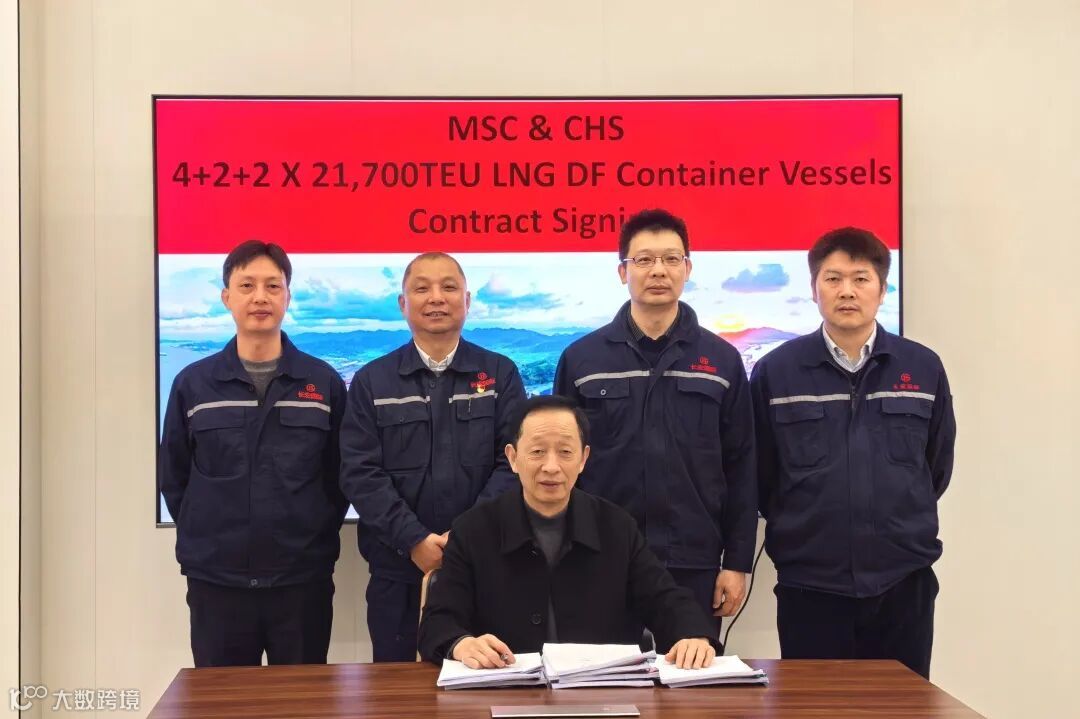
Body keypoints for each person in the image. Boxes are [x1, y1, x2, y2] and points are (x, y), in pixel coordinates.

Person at [750, 226, 956, 679]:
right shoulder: (776, 371)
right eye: (833, 278)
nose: (847, 291)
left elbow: (935, 467)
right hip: (810, 585)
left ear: (882, 290)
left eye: (861, 279)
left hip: (904, 580)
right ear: (814, 289)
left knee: (901, 706)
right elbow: (761, 475)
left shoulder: (922, 367)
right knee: (816, 706)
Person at [553, 209, 757, 641]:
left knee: (691, 679)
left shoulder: (722, 361)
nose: (658, 270)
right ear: (622, 271)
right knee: (601, 678)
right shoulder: (582, 360)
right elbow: (560, 465)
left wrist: (737, 562)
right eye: (644, 260)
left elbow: (742, 466)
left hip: (694, 561)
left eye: (671, 259)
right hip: (599, 557)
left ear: (688, 268)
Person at [418, 395, 719, 669]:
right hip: (505, 688)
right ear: (512, 458)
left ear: (583, 458)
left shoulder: (616, 526)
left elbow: (664, 599)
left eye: (565, 452)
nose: (551, 467)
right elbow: (438, 620)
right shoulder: (473, 529)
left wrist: (693, 635)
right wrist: (462, 644)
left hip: (599, 691)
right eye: (537, 451)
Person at [159, 240, 348, 667]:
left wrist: (309, 531)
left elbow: (340, 477)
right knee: (222, 698)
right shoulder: (194, 384)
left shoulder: (322, 383)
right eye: (247, 285)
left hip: (301, 580)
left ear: (287, 297)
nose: (260, 297)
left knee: (301, 698)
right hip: (217, 582)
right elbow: (174, 476)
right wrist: (209, 536)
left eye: (272, 286)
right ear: (227, 297)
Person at [340, 252, 527, 662]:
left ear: (468, 300)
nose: (436, 297)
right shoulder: (372, 381)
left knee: (489, 677)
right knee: (398, 687)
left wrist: (464, 537)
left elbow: (514, 464)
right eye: (422, 288)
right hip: (397, 571)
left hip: (486, 567)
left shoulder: (500, 374)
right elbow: (359, 472)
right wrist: (413, 540)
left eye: (449, 287)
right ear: (403, 303)